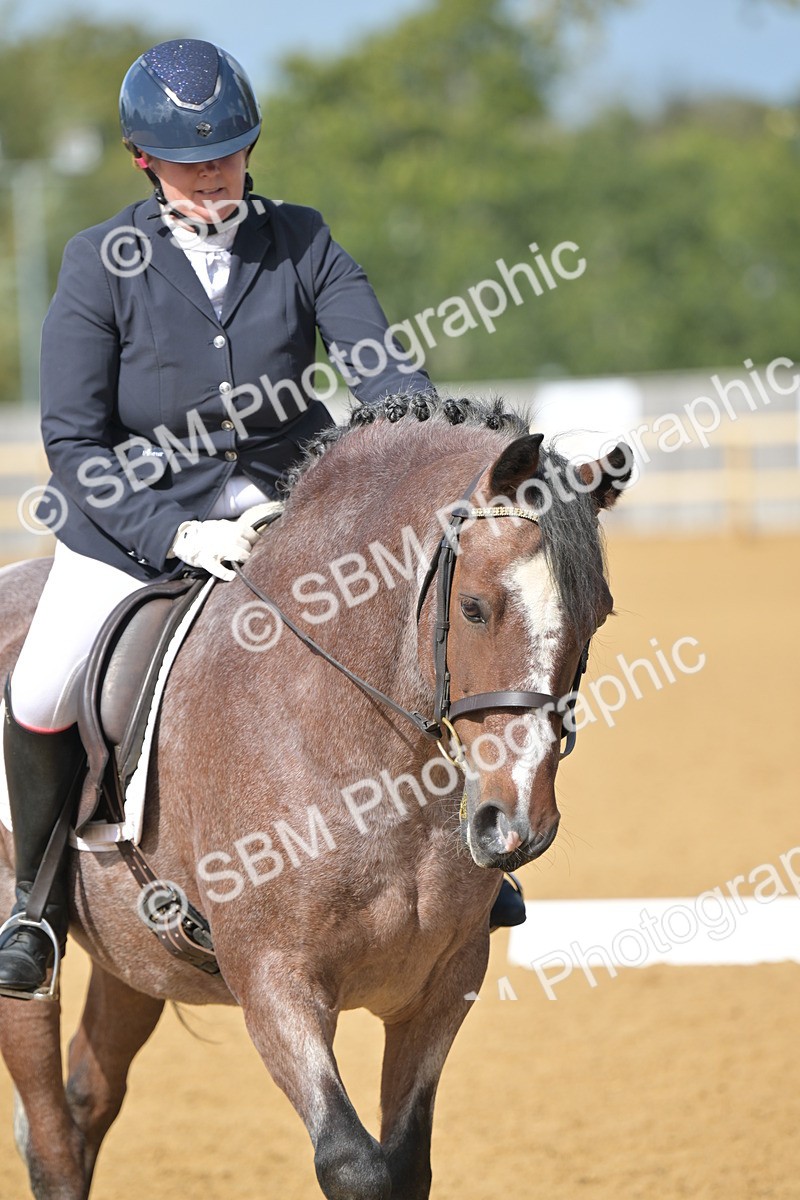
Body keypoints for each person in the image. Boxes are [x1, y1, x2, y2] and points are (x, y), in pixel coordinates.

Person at [0, 39, 522, 998]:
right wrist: (172, 534)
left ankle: (464, 869)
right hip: (142, 523)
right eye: (192, 161)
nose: (215, 175)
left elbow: (384, 370)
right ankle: (35, 905)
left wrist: (429, 440)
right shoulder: (97, 264)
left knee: (416, 631)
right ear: (141, 158)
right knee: (38, 690)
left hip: (296, 506)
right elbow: (75, 443)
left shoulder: (301, 238)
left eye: (231, 153)